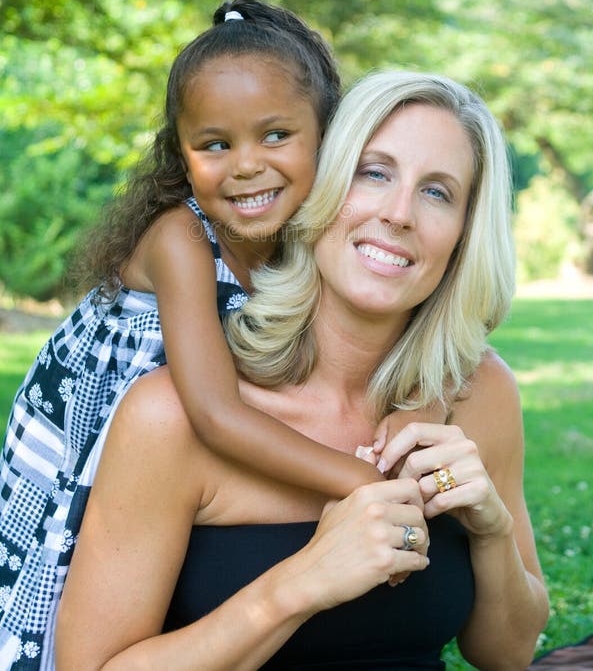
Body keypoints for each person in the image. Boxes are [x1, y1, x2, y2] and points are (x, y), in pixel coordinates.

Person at [56, 69, 550, 670]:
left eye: (437, 192)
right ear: (320, 184)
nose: (399, 213)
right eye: (374, 172)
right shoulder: (173, 416)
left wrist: (492, 530)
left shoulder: (477, 393)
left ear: (465, 236)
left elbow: (507, 653)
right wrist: (301, 584)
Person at [0, 0, 384, 670]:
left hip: (167, 442)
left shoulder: (301, 244)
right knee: (52, 608)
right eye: (215, 144)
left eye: (275, 136)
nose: (245, 165)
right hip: (85, 434)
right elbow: (212, 412)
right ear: (180, 154)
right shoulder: (179, 237)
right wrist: (361, 480)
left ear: (327, 136)